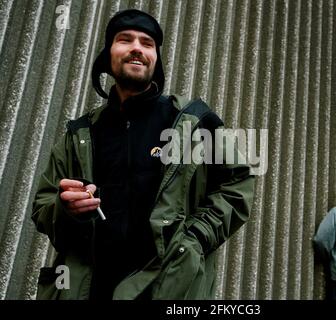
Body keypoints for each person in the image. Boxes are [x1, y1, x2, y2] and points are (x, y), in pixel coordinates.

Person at [32, 9, 254, 300]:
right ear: (107, 56)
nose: (137, 47)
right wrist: (65, 209)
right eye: (125, 40)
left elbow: (238, 181)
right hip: (89, 289)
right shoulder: (80, 134)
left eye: (147, 43)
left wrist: (196, 235)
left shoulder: (192, 121)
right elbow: (43, 206)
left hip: (168, 289)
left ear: (155, 60)